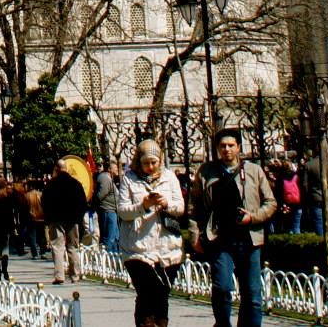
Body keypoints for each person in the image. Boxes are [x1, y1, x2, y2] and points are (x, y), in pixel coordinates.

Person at [197, 130, 276, 327]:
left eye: (231, 145)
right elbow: (195, 206)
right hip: (220, 239)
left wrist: (253, 217)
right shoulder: (206, 172)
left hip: (250, 238)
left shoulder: (254, 171)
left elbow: (270, 202)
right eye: (223, 146)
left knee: (252, 293)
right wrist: (194, 235)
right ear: (217, 149)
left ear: (239, 147)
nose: (227, 149)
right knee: (222, 287)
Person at [116, 140, 186, 327]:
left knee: (162, 293)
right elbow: (122, 211)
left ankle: (161, 324)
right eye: (146, 163)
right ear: (138, 161)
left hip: (167, 246)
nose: (150, 167)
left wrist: (167, 204)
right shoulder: (129, 179)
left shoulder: (169, 177)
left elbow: (180, 207)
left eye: (154, 162)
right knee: (147, 290)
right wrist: (143, 206)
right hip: (138, 247)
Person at [42, 162, 88, 285]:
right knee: (73, 247)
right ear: (66, 169)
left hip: (56, 220)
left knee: (58, 247)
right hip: (72, 220)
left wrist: (49, 218)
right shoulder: (76, 184)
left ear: (56, 169)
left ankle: (59, 276)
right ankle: (75, 275)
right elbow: (83, 203)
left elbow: (44, 203)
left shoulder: (50, 185)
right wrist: (78, 217)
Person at [96, 161, 122, 258]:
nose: (117, 170)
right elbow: (100, 195)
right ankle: (108, 259)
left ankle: (115, 259)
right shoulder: (105, 179)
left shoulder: (109, 179)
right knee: (110, 238)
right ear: (110, 169)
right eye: (115, 168)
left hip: (112, 211)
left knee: (116, 237)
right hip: (108, 211)